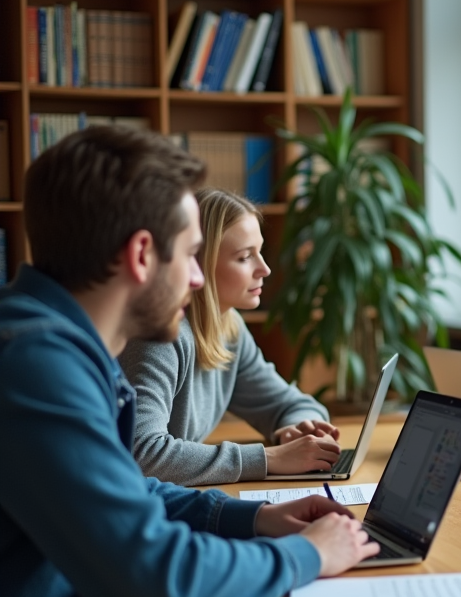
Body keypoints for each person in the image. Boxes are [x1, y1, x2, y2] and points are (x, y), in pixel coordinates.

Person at [0, 127, 378, 597]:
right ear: (143, 255)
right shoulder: (36, 368)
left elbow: (128, 486)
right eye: (190, 254)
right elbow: (158, 582)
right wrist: (305, 556)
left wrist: (249, 519)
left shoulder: (49, 343)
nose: (199, 280)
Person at [120, 188, 340, 486]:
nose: (264, 268)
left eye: (260, 251)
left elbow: (288, 403)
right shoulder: (159, 337)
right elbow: (142, 453)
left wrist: (296, 427)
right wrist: (269, 459)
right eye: (245, 257)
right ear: (197, 262)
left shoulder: (228, 326)